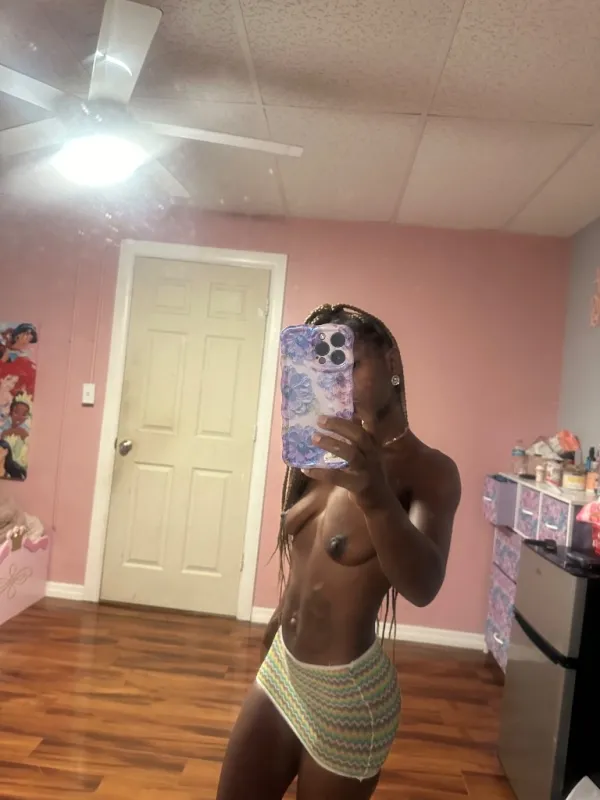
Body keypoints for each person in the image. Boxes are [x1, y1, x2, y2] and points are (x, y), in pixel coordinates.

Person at [216, 304, 461, 800]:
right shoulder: (322, 456)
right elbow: (311, 566)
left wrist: (375, 495)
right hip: (282, 668)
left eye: (351, 364)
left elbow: (423, 586)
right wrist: (277, 627)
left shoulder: (428, 470)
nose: (340, 384)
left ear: (391, 363)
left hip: (348, 696)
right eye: (326, 371)